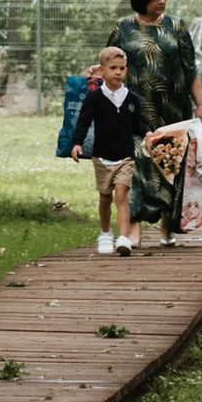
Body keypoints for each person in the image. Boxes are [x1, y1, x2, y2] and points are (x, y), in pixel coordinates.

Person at [113, 0, 202, 243]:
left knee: (170, 165)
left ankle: (166, 229)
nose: (162, 2)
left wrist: (200, 104)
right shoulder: (123, 28)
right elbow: (111, 64)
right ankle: (135, 228)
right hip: (135, 108)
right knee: (138, 164)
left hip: (173, 109)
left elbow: (191, 70)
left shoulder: (177, 26)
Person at [72, 46, 140, 254]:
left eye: (122, 68)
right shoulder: (95, 98)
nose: (118, 72)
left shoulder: (132, 98)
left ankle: (123, 238)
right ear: (102, 71)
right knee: (105, 197)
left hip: (125, 156)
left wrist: (148, 133)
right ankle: (105, 233)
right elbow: (83, 122)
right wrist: (77, 143)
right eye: (113, 68)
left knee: (122, 195)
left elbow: (138, 124)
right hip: (102, 157)